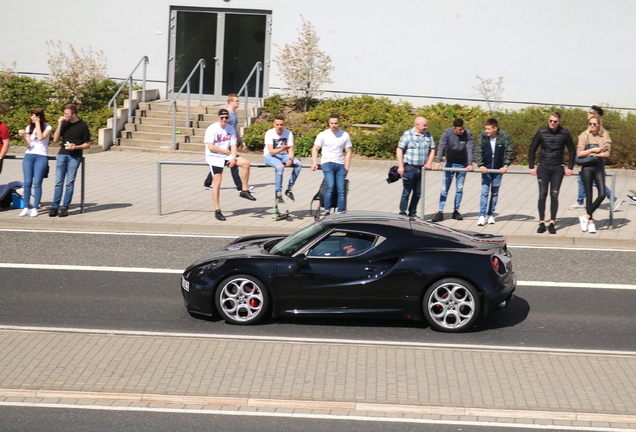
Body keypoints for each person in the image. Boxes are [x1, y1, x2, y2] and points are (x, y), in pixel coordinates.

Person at [528, 112, 575, 234]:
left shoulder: (564, 133)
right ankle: (542, 222)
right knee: (542, 194)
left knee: (554, 195)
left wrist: (570, 167)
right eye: (550, 121)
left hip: (557, 168)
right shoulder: (541, 132)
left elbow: (572, 150)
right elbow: (532, 149)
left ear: (559, 122)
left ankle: (552, 222)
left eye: (555, 121)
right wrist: (531, 166)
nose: (552, 123)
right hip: (543, 167)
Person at [205, 108, 255, 221]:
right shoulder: (212, 128)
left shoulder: (231, 129)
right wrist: (225, 152)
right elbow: (211, 146)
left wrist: (233, 158)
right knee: (217, 182)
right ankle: (217, 210)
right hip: (214, 156)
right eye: (222, 117)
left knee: (246, 163)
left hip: (227, 155)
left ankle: (244, 190)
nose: (224, 119)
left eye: (226, 117)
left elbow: (233, 146)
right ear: (218, 118)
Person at [570, 106, 622, 210]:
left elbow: (605, 151)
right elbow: (580, 152)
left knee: (593, 183)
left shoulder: (602, 133)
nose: (588, 114)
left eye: (590, 113)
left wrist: (593, 153)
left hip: (596, 164)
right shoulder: (586, 134)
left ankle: (614, 198)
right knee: (581, 180)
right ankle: (581, 202)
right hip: (587, 163)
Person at [203, 94, 252, 192]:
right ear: (230, 102)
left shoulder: (235, 114)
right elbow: (222, 129)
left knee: (224, 163)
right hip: (225, 143)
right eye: (236, 101)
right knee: (231, 164)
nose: (238, 102)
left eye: (238, 101)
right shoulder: (226, 113)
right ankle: (240, 186)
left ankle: (208, 182)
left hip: (231, 141)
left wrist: (241, 141)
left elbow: (235, 129)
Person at [49, 104, 91, 217]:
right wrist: (59, 124)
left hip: (75, 156)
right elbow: (55, 140)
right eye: (64, 114)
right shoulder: (64, 124)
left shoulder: (82, 126)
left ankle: (65, 207)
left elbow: (88, 144)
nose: (64, 116)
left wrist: (76, 147)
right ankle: (54, 206)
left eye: (67, 114)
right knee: (58, 182)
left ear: (74, 114)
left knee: (69, 183)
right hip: (62, 154)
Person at [474, 118, 515, 226]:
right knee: (484, 193)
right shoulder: (483, 136)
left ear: (495, 128)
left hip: (498, 170)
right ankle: (482, 215)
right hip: (486, 170)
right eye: (485, 129)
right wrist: (481, 165)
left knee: (495, 193)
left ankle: (491, 215)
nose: (486, 131)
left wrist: (505, 165)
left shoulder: (503, 136)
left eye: (488, 129)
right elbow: (478, 150)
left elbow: (510, 151)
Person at [432, 119, 473, 222]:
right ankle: (440, 211)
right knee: (444, 188)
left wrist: (470, 164)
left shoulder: (468, 134)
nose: (462, 131)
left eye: (463, 128)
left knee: (459, 188)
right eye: (460, 129)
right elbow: (441, 146)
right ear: (454, 128)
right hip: (450, 163)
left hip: (462, 164)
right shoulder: (447, 133)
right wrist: (438, 162)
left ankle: (456, 211)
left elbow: (469, 148)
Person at [311, 114, 352, 215]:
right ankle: (327, 209)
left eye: (336, 123)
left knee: (341, 188)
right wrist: (314, 163)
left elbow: (349, 151)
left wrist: (347, 166)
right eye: (332, 123)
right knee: (330, 186)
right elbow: (315, 149)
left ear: (339, 123)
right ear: (329, 123)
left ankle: (341, 210)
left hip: (340, 164)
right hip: (327, 163)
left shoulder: (344, 135)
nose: (334, 125)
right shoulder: (323, 134)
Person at [577, 114, 611, 234]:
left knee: (602, 194)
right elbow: (580, 154)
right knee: (589, 195)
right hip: (586, 168)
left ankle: (585, 217)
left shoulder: (604, 136)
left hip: (599, 168)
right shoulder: (584, 136)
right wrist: (593, 150)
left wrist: (594, 155)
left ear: (599, 125)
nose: (592, 126)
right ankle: (591, 222)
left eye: (594, 124)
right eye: (590, 124)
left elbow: (606, 154)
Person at [396, 117, 435, 217]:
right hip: (409, 167)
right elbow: (399, 149)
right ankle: (402, 213)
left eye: (426, 125)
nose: (426, 127)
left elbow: (432, 149)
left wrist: (429, 162)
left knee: (418, 192)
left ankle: (412, 212)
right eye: (424, 125)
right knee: (406, 192)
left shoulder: (428, 135)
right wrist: (401, 166)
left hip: (421, 168)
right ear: (417, 124)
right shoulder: (408, 134)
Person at [18, 108, 51, 218]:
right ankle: (26, 207)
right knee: (27, 182)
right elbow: (28, 145)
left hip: (41, 156)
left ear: (39, 117)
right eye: (31, 115)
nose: (31, 118)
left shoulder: (47, 127)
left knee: (37, 183)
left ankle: (35, 208)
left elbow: (41, 138)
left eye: (33, 116)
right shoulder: (29, 128)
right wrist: (24, 137)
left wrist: (37, 123)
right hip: (29, 155)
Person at [264, 115, 302, 203]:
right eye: (277, 125)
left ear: (284, 124)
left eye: (281, 125)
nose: (279, 127)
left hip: (283, 155)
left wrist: (290, 159)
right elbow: (271, 152)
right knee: (280, 167)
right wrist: (282, 148)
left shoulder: (288, 133)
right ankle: (278, 193)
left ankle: (289, 189)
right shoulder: (269, 133)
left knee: (298, 164)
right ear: (274, 124)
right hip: (270, 155)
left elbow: (291, 151)